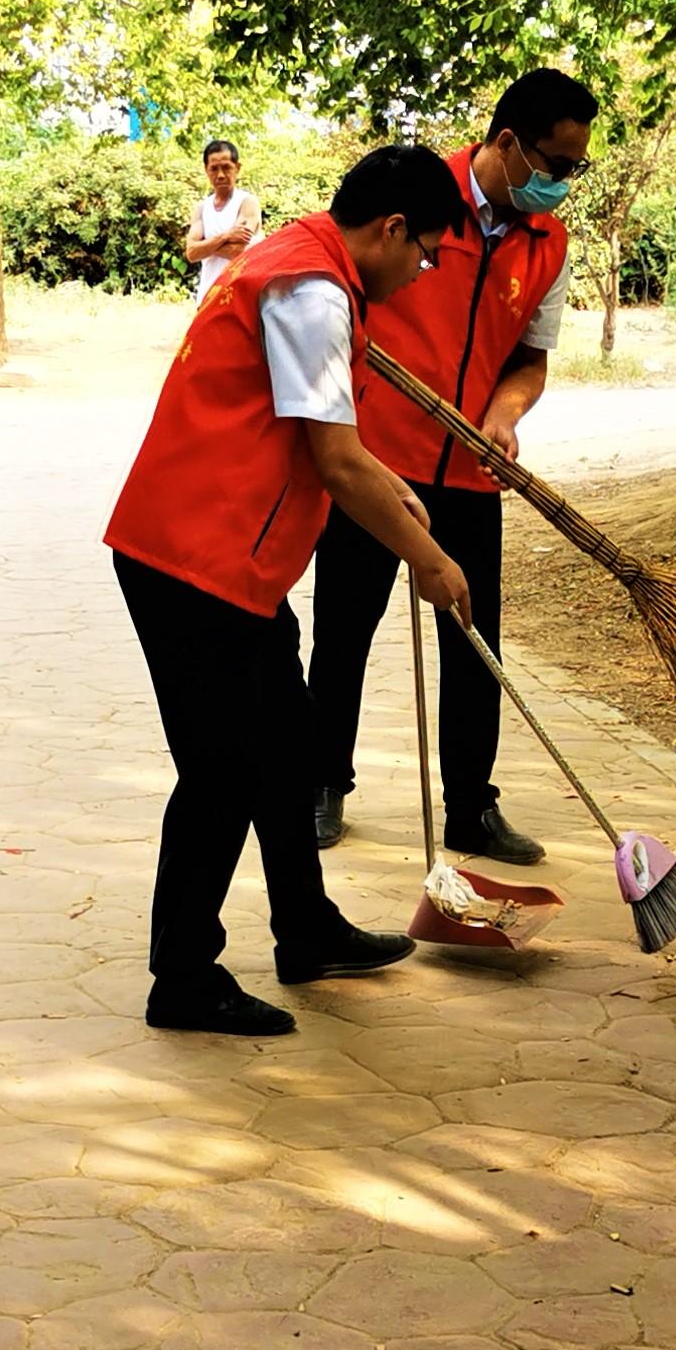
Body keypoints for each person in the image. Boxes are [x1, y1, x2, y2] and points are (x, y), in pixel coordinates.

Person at [105, 145, 476, 1037]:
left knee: (287, 741)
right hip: (195, 558)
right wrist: (427, 555)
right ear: (390, 229)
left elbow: (327, 441)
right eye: (424, 252)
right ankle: (183, 975)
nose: (420, 271)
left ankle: (305, 929)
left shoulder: (305, 261)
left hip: (231, 559)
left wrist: (392, 489)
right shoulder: (310, 291)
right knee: (221, 771)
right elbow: (336, 461)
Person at [305, 69, 597, 865]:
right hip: (372, 465)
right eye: (555, 164)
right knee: (344, 628)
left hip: (469, 470)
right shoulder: (422, 203)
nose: (561, 184)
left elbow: (530, 361)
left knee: (473, 638)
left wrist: (502, 418)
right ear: (506, 144)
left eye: (575, 169)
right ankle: (321, 783)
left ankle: (471, 805)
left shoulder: (550, 243)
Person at [185, 139, 260, 296]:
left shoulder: (247, 203)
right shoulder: (201, 209)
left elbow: (236, 250)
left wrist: (204, 246)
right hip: (208, 297)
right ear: (206, 170)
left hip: (242, 297)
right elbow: (191, 253)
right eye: (214, 169)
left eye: (226, 167)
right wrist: (227, 235)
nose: (220, 175)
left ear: (237, 168)